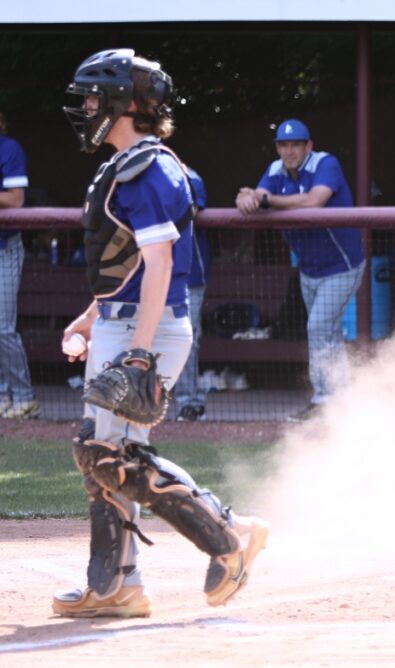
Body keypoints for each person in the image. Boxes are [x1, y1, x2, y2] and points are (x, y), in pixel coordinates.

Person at [54, 48, 267, 618]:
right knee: (100, 452)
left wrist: (140, 352)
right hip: (123, 323)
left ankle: (227, 536)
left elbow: (163, 267)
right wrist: (91, 317)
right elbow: (128, 267)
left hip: (149, 331)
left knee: (109, 452)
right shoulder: (125, 163)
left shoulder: (147, 169)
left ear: (127, 102)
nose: (87, 107)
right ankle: (116, 584)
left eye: (97, 97)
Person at [236, 119, 365, 422]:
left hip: (342, 265)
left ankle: (323, 401)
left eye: (296, 144)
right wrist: (247, 197)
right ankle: (347, 400)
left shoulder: (325, 163)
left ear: (308, 146)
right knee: (328, 333)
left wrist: (266, 200)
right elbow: (256, 196)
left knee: (318, 327)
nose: (289, 150)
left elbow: (314, 201)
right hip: (309, 270)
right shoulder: (275, 169)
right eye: (284, 145)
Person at [0, 112, 40, 419]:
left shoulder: (8, 148)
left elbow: (15, 200)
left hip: (5, 247)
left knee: (2, 327)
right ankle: (2, 395)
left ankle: (24, 397)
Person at [174, 166, 210, 421]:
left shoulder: (190, 177)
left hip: (188, 275)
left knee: (185, 338)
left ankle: (189, 402)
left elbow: (190, 211)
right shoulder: (133, 173)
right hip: (148, 274)